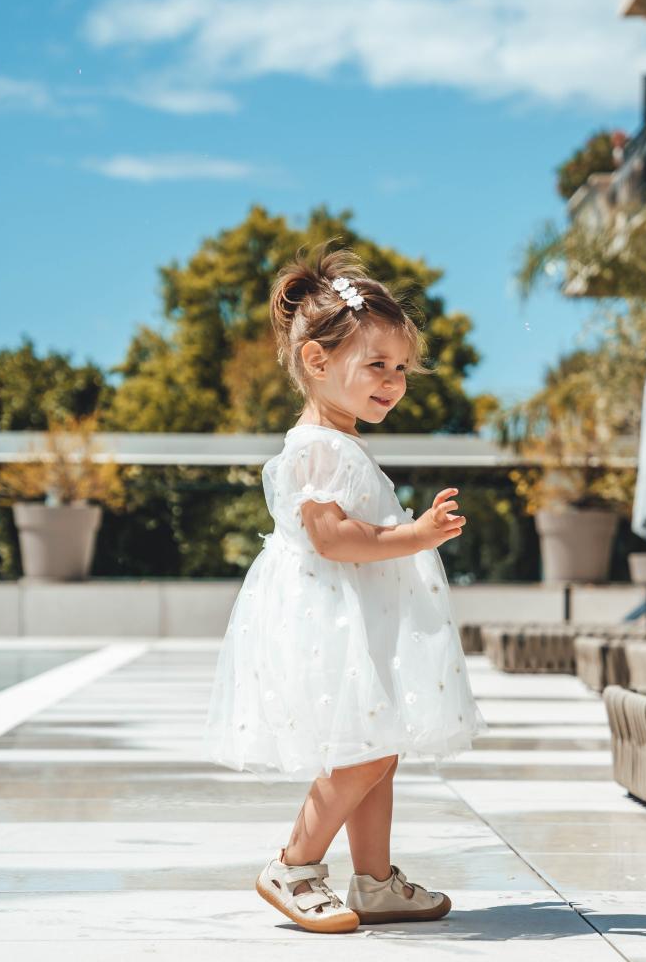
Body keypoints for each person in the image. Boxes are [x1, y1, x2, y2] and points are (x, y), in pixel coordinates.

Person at [202, 242, 487, 933]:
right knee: (367, 749)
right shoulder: (320, 448)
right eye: (376, 366)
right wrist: (414, 537)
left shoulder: (338, 441)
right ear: (317, 362)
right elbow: (332, 538)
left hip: (359, 616)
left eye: (400, 369)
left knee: (377, 749)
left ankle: (375, 880)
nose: (392, 381)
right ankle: (294, 863)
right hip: (334, 622)